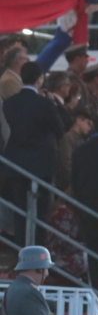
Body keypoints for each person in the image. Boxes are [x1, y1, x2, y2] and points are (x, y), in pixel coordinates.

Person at [2, 62, 64, 236]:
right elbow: (60, 130)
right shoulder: (45, 104)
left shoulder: (9, 103)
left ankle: (21, 249)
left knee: (20, 212)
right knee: (41, 213)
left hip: (16, 163)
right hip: (42, 165)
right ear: (40, 79)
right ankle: (38, 252)